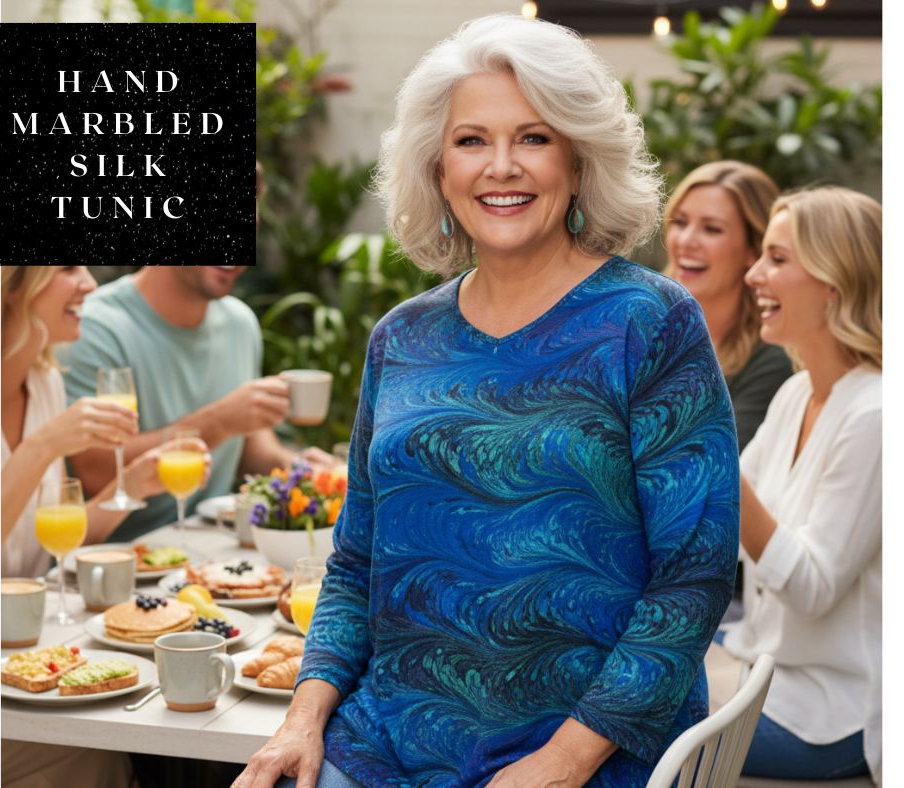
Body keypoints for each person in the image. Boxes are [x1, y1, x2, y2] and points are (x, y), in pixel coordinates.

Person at [236, 15, 739, 788]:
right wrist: (302, 718)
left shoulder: (651, 322)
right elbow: (356, 563)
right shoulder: (401, 338)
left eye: (533, 138)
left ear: (578, 160)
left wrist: (563, 762)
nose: (501, 167)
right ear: (438, 169)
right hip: (389, 741)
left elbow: (693, 580)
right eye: (472, 141)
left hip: (590, 746)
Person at [720, 187, 881, 782]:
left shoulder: (876, 416)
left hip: (833, 712)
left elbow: (811, 587)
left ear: (835, 281)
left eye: (778, 259)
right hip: (763, 663)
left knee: (630, 722)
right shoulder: (796, 394)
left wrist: (709, 454)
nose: (755, 274)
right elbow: (725, 534)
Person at [58, 266, 334, 543]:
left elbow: (251, 446)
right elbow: (97, 471)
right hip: (123, 554)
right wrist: (216, 422)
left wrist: (300, 471)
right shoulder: (94, 327)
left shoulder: (239, 323)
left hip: (215, 548)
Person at [1, 266, 203, 578]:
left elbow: (58, 538)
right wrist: (43, 445)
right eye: (68, 268)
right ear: (12, 283)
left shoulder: (45, 384)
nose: (90, 284)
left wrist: (132, 485)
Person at [664, 161, 793, 451]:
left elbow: (717, 470)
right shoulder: (635, 327)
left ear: (753, 249)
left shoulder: (773, 360)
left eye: (711, 229)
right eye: (680, 222)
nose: (685, 241)